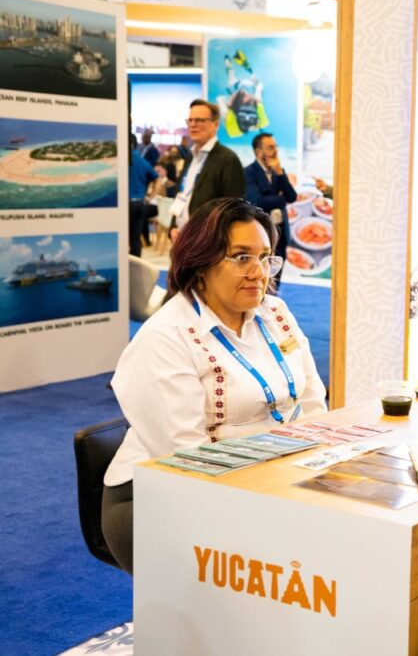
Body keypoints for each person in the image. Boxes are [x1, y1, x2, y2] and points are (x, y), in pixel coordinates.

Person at [101, 197, 328, 574]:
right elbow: (188, 457)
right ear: (201, 262)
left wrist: (318, 468)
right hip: (166, 494)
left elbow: (312, 401)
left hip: (267, 478)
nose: (258, 272)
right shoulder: (167, 336)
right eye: (241, 257)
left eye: (265, 258)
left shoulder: (274, 313)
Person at [170, 99, 245, 232]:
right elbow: (181, 195)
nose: (193, 125)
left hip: (207, 239)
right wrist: (173, 227)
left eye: (199, 120)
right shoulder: (190, 157)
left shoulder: (228, 159)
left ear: (215, 124)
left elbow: (233, 209)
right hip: (182, 237)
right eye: (190, 120)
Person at [245, 132, 297, 270]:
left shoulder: (278, 171)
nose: (275, 151)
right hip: (261, 233)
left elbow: (292, 197)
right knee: (261, 274)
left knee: (277, 273)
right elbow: (257, 202)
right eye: (270, 147)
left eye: (276, 147)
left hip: (281, 232)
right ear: (258, 151)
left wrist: (280, 173)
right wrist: (281, 198)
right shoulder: (248, 172)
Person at [127, 133, 158, 257]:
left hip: (126, 205)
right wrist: (151, 196)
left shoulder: (122, 160)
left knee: (123, 238)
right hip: (140, 203)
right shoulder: (142, 161)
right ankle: (135, 266)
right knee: (135, 239)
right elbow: (156, 178)